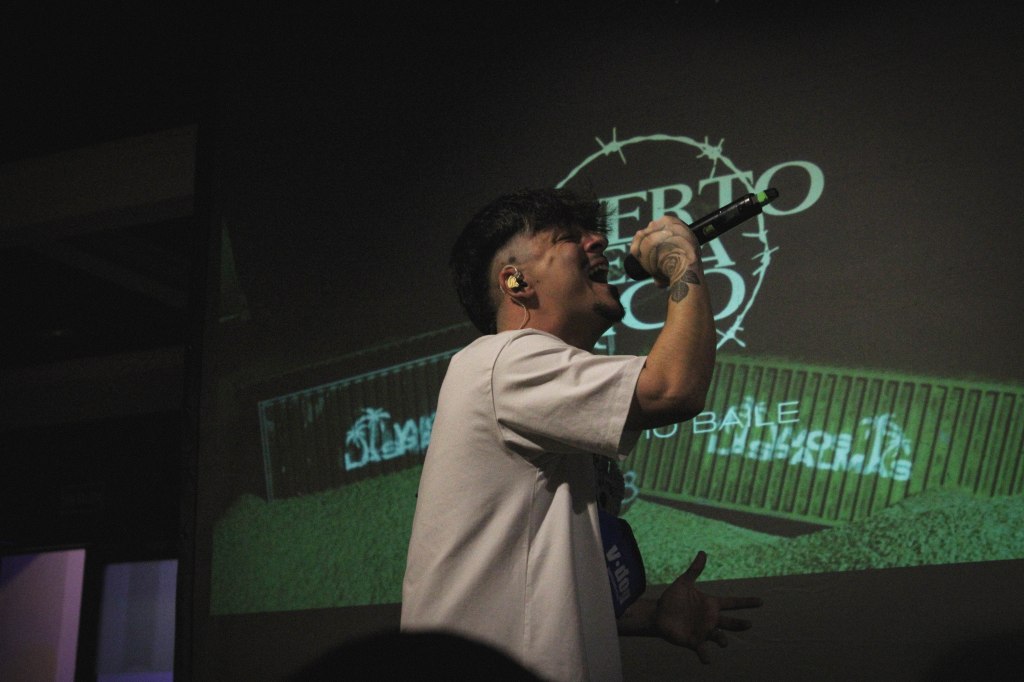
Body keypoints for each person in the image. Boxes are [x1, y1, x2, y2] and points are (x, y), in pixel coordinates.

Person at [401, 188, 761, 681]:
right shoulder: (502, 360)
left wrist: (648, 617)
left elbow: (530, 582)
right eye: (569, 238)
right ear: (515, 281)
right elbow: (672, 389)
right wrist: (681, 261)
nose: (598, 243)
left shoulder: (534, 398)